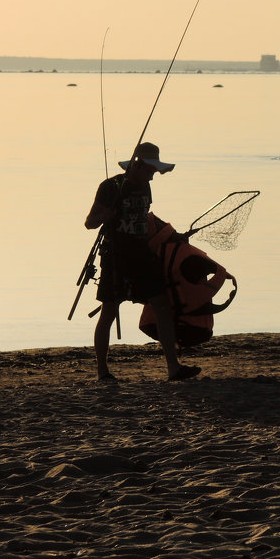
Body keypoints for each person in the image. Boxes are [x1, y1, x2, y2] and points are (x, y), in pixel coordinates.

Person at [84, 141, 201, 382]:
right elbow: (89, 222)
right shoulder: (110, 187)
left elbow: (147, 220)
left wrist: (173, 236)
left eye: (154, 172)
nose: (152, 176)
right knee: (108, 312)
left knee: (162, 306)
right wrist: (104, 216)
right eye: (149, 170)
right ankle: (102, 372)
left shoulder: (146, 188)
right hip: (115, 257)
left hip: (143, 256)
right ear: (137, 165)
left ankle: (173, 368)